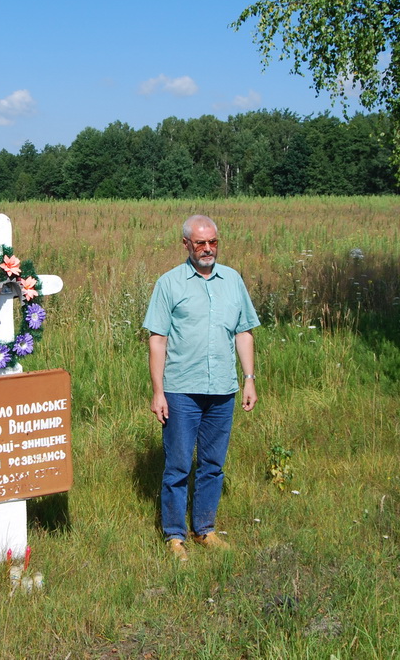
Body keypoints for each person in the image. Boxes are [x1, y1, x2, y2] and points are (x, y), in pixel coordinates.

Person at [143, 215, 260, 562]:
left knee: (212, 464)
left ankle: (205, 530)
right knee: (178, 465)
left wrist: (249, 378)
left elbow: (243, 332)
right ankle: (175, 536)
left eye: (213, 242)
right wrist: (158, 391)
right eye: (200, 243)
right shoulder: (169, 284)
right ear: (186, 245)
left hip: (223, 389)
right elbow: (157, 339)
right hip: (181, 390)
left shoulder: (233, 280)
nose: (208, 249)